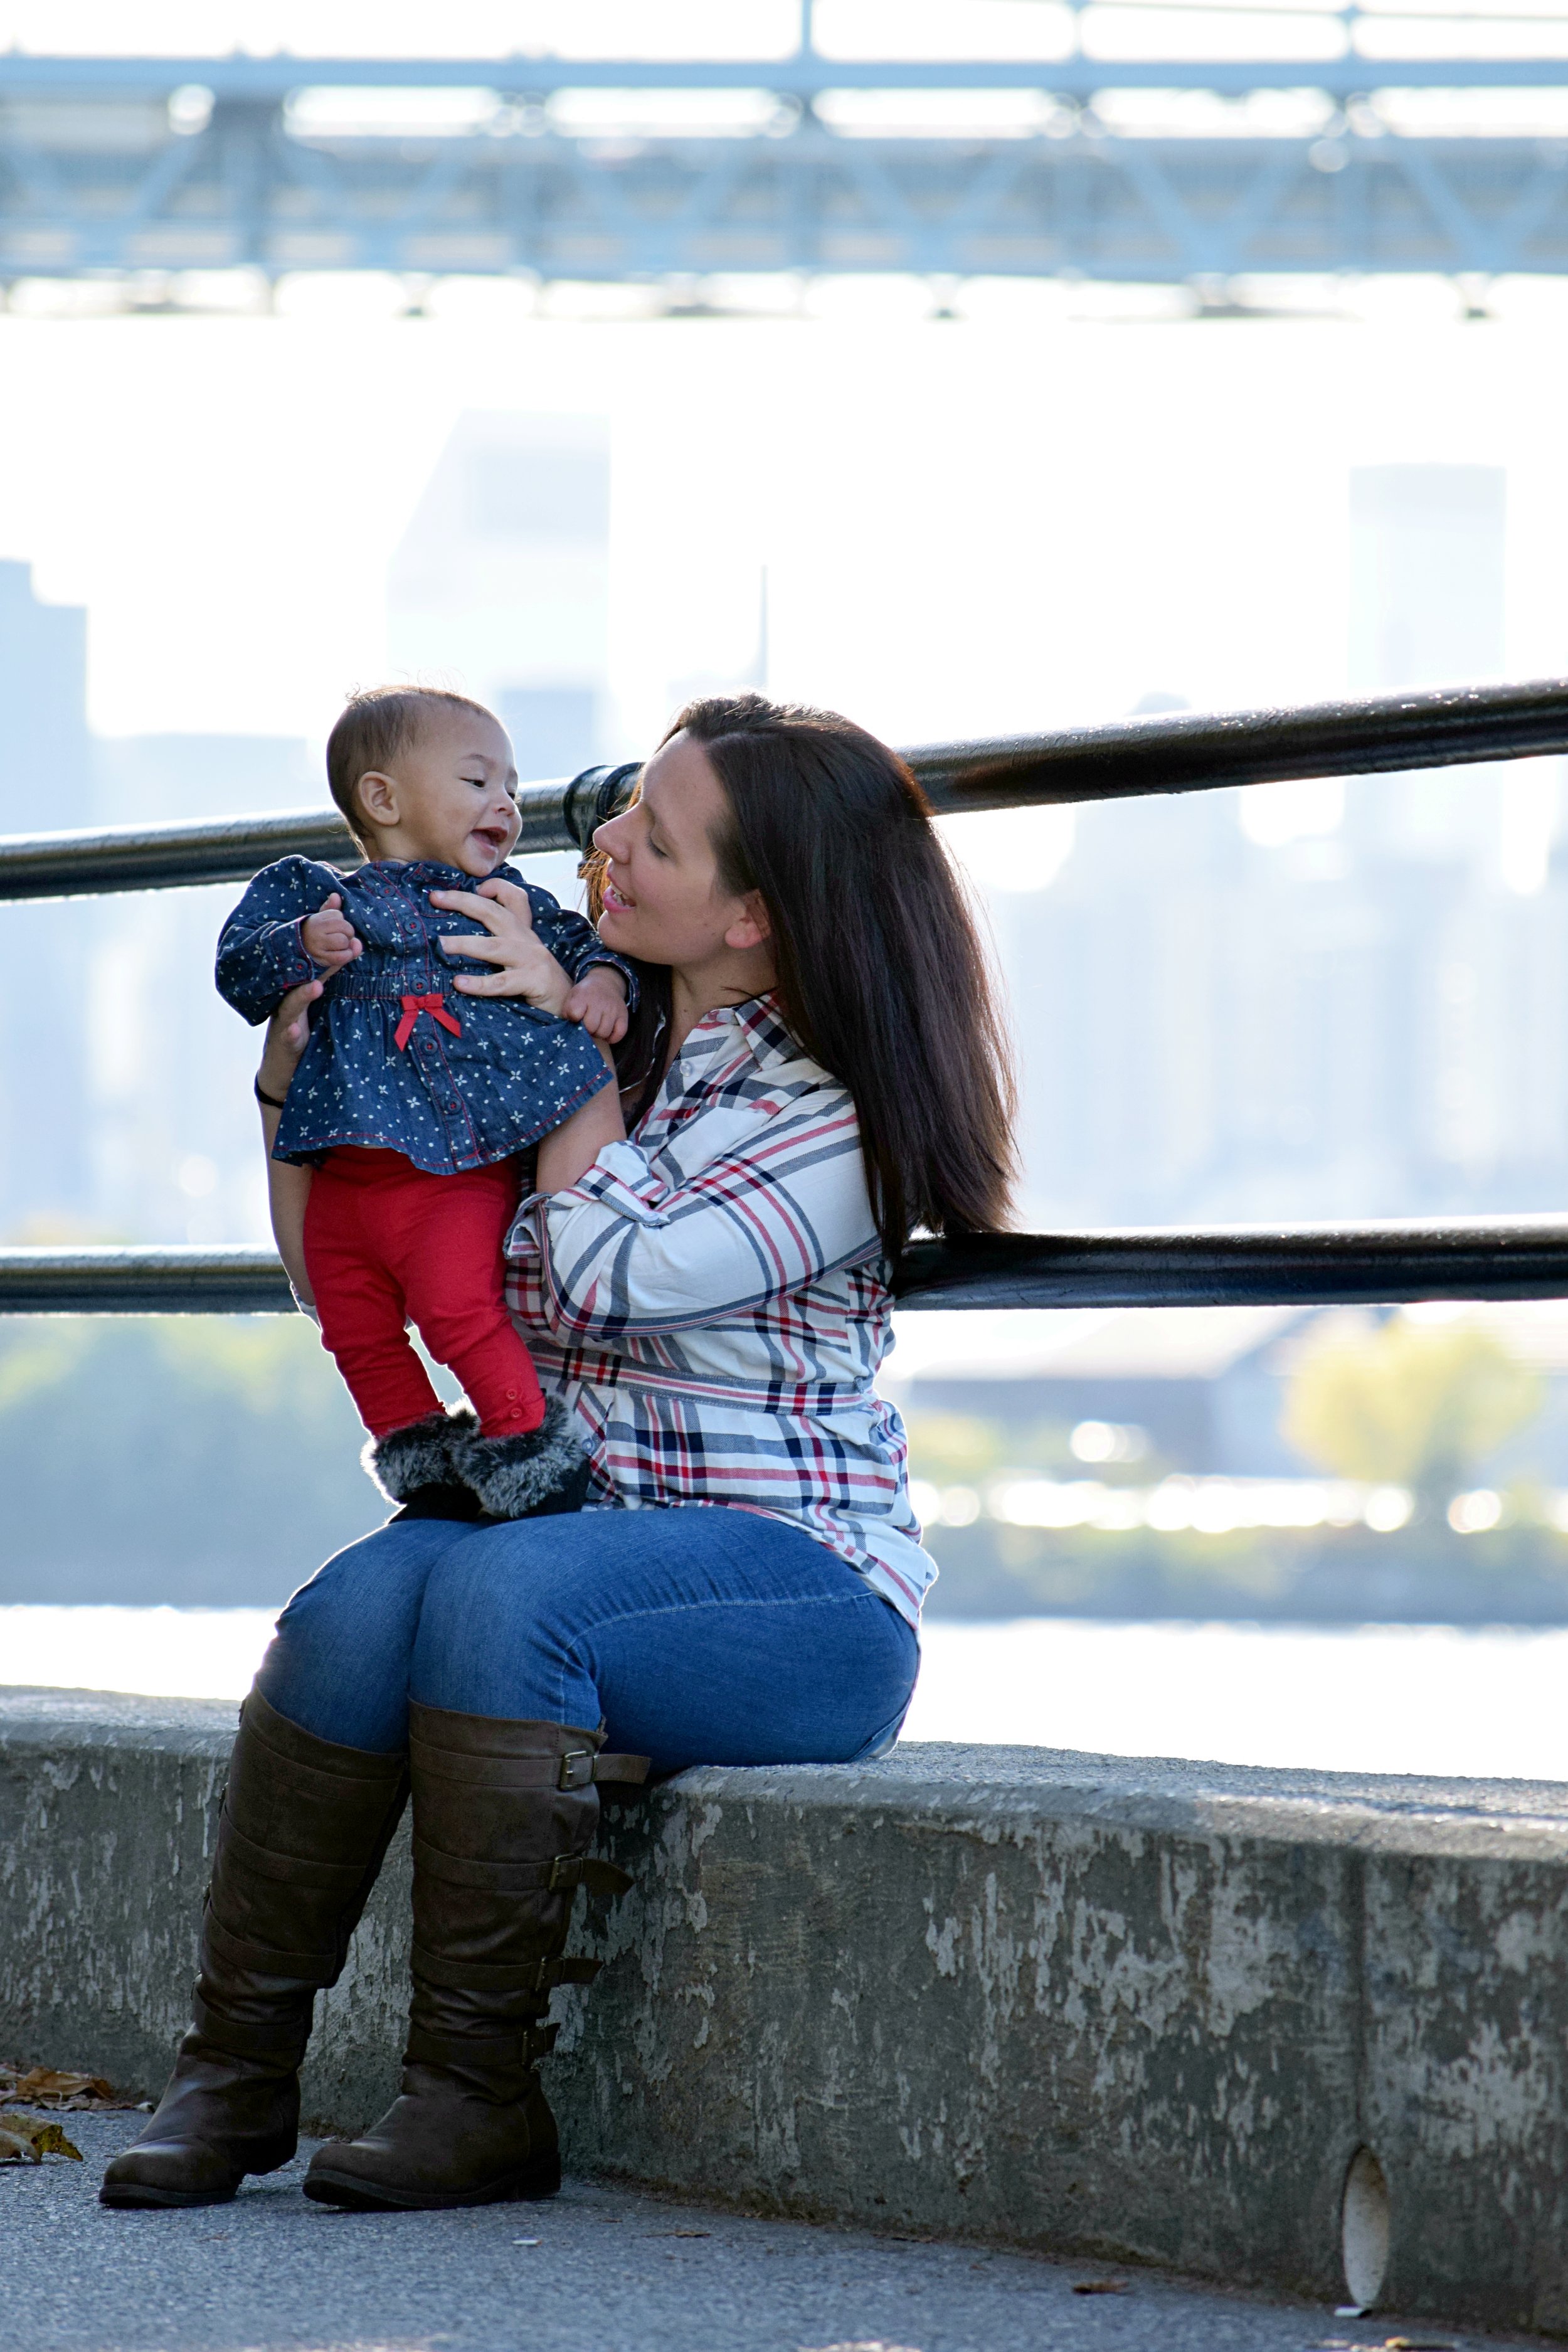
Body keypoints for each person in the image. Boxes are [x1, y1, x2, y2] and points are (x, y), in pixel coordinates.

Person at [101, 692, 1016, 2216]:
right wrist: (293, 1085)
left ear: (753, 918)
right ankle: (235, 2075)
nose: (597, 844)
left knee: (496, 1596)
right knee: (350, 1604)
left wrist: (549, 1054)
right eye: (616, 814)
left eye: (649, 836)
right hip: (570, 1536)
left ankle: (475, 2096)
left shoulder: (827, 1118)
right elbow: (339, 1262)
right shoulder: (592, 1027)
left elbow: (604, 1273)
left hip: (797, 1594)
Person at [215, 686, 637, 1518]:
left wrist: (599, 984)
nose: (507, 803)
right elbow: (238, 969)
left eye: (513, 786)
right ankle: (422, 1462)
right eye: (479, 781)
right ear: (383, 798)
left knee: (457, 1307)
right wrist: (299, 945)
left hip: (454, 1165)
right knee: (353, 1324)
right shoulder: (317, 895)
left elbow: (584, 943)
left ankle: (529, 1451)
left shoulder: (508, 901)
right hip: (343, 1172)